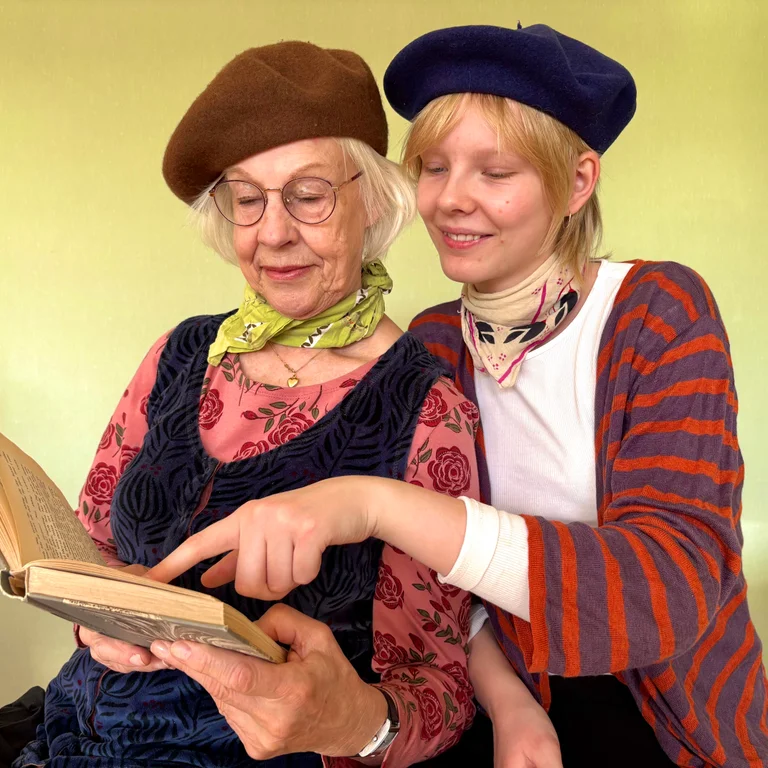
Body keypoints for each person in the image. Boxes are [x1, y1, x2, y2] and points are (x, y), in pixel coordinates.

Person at [151, 24, 768, 768]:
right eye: (434, 167)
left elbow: (665, 586)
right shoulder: (435, 341)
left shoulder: (657, 311)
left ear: (578, 181)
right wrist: (511, 705)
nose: (449, 200)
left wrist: (372, 502)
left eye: (495, 172)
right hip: (498, 686)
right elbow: (444, 594)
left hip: (662, 707)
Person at [14, 41, 485, 768]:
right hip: (70, 730)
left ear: (372, 198)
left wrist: (352, 720)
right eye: (248, 199)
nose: (273, 232)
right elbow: (92, 546)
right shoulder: (178, 353)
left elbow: (439, 688)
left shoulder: (427, 410)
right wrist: (94, 624)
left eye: (308, 194)